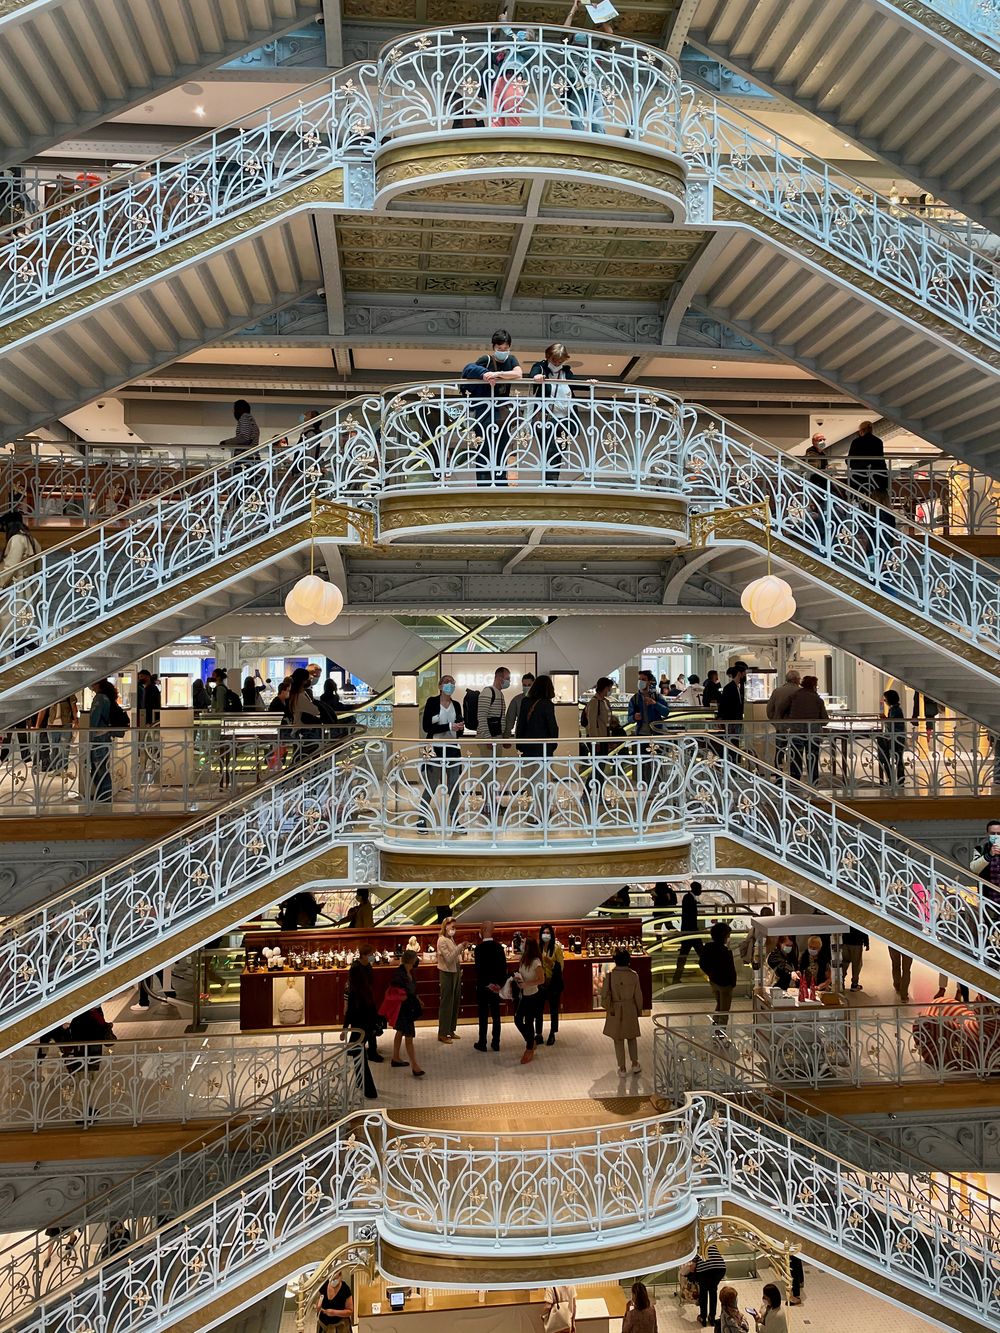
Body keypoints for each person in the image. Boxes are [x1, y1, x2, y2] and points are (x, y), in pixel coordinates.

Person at [465, 330, 522, 486]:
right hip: (484, 410)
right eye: (500, 348)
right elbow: (468, 369)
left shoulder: (511, 359)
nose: (503, 352)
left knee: (502, 447)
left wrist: (497, 374)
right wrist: (485, 374)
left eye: (505, 348)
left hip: (502, 413)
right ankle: (484, 483)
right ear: (494, 347)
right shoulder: (486, 359)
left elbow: (518, 374)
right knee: (483, 447)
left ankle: (500, 482)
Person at [528, 342, 587, 482]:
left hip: (565, 417)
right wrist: (537, 377)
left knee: (559, 449)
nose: (557, 362)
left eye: (560, 360)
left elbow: (575, 384)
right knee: (549, 449)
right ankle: (548, 481)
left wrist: (589, 383)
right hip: (546, 417)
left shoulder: (566, 372)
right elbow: (533, 375)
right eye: (555, 359)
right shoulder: (540, 367)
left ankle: (552, 481)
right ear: (548, 357)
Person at [419, 674, 465, 828]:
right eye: (446, 682)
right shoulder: (432, 702)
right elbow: (427, 727)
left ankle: (455, 818)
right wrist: (449, 726)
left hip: (452, 749)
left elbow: (459, 730)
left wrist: (459, 728)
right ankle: (422, 817)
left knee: (454, 785)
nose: (450, 685)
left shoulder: (456, 704)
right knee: (431, 784)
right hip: (435, 749)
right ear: (440, 686)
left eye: (452, 682)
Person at [343, 944, 381, 1098]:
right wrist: (345, 1025)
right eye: (371, 954)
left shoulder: (365, 970)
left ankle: (366, 1086)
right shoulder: (358, 971)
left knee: (356, 1050)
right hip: (363, 1015)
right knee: (356, 1050)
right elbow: (352, 999)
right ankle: (364, 1085)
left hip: (363, 1016)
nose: (373, 957)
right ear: (364, 955)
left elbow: (354, 1001)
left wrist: (345, 1025)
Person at [0, 510, 39, 649]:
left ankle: (30, 652)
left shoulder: (16, 539)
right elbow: (38, 565)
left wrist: (1, 583)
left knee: (13, 624)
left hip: (16, 587)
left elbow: (11, 565)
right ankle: (24, 653)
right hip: (28, 585)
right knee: (20, 625)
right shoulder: (32, 539)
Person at [601, 946, 643, 1075]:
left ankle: (622, 1068)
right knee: (631, 1037)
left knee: (618, 1039)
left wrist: (608, 1007)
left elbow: (604, 994)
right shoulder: (634, 976)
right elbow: (638, 995)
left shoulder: (610, 976)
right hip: (630, 1007)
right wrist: (639, 1010)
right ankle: (635, 1063)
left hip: (615, 1008)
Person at [786, 675, 828, 785]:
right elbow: (824, 720)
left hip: (796, 731)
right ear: (814, 686)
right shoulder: (817, 700)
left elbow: (785, 711)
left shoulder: (794, 696)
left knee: (796, 757)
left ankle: (794, 781)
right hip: (813, 733)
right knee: (812, 757)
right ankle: (813, 781)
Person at [389, 949, 425, 1077]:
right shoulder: (399, 974)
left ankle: (395, 1057)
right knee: (409, 1036)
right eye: (416, 958)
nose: (417, 961)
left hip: (407, 1007)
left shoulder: (408, 972)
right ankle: (415, 1066)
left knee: (400, 1031)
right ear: (411, 960)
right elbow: (396, 990)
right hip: (404, 1009)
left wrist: (418, 1000)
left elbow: (413, 990)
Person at [88, 678, 123, 804]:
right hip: (105, 735)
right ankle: (103, 795)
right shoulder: (107, 698)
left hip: (99, 737)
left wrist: (89, 734)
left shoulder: (100, 698)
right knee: (101, 767)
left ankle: (104, 796)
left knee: (99, 768)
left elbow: (94, 719)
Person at [474, 920, 508, 1052]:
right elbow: (503, 968)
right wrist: (499, 985)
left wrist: (486, 984)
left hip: (483, 987)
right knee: (496, 1014)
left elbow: (479, 970)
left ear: (482, 930)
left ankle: (482, 1042)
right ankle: (496, 1042)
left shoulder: (479, 949)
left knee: (483, 1015)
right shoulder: (499, 948)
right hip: (496, 988)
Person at [700, 920, 737, 1028]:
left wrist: (710, 973)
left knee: (719, 1005)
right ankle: (720, 1032)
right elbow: (730, 969)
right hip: (725, 984)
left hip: (714, 981)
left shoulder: (708, 947)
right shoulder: (725, 952)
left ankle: (715, 1027)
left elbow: (702, 963)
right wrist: (733, 983)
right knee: (724, 1010)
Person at [512, 937, 544, 1063]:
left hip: (533, 995)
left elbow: (541, 980)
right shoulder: (523, 959)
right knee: (518, 1019)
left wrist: (527, 984)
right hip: (523, 995)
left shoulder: (536, 962)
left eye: (524, 943)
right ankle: (530, 1040)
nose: (521, 944)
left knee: (529, 1021)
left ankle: (529, 1048)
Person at [514, 674, 558, 757]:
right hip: (543, 746)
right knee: (542, 769)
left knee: (528, 769)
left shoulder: (525, 701)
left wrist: (519, 744)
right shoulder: (547, 704)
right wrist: (553, 744)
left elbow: (520, 724)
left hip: (527, 745)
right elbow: (552, 726)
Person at [765, 669, 801, 769]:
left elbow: (769, 709)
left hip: (781, 727)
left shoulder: (777, 691)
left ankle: (778, 776)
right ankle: (795, 776)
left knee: (779, 751)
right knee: (796, 752)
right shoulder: (800, 692)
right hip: (797, 727)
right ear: (796, 680)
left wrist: (775, 722)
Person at [536, 923, 564, 1045]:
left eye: (548, 933)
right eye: (544, 933)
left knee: (553, 1009)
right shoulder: (538, 947)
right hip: (540, 983)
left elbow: (561, 967)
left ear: (551, 934)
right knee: (538, 1010)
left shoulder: (556, 948)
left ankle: (552, 1033)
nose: (545, 935)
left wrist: (550, 963)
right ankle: (539, 1034)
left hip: (553, 984)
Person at [436, 915, 463, 1044]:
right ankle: (442, 1033)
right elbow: (449, 958)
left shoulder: (450, 938)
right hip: (447, 973)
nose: (454, 929)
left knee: (455, 1001)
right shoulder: (441, 940)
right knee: (446, 1003)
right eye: (452, 927)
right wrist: (460, 947)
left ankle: (451, 1029)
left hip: (455, 971)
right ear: (446, 926)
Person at [847, 419, 888, 502]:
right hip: (877, 477)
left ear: (861, 430)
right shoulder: (878, 441)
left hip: (859, 476)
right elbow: (880, 458)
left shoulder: (856, 442)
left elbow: (850, 459)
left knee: (855, 496)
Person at [289, 666, 322, 762]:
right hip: (305, 733)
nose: (310, 680)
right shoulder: (300, 697)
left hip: (299, 732)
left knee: (299, 759)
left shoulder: (295, 695)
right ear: (303, 681)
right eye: (309, 679)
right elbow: (315, 711)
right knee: (305, 760)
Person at [672, 880, 703, 982]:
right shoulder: (689, 899)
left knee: (684, 955)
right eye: (700, 889)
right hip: (691, 932)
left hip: (688, 931)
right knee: (700, 954)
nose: (701, 891)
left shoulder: (688, 898)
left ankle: (676, 977)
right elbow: (690, 916)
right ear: (696, 889)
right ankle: (711, 973)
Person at [877, 688, 906, 789]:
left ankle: (898, 780)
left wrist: (885, 719)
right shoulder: (894, 709)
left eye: (885, 700)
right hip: (896, 737)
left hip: (897, 738)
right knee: (896, 759)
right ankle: (897, 780)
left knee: (897, 759)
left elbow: (893, 723)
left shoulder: (896, 710)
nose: (885, 702)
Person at [694, 1242, 727, 1328]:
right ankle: (712, 1317)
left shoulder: (697, 1245)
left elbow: (694, 1262)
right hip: (719, 1268)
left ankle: (703, 1317)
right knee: (713, 1291)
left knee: (703, 1293)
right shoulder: (711, 1243)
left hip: (704, 1270)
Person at [628, 669, 670, 734]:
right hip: (642, 734)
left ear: (649, 682)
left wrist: (655, 703)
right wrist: (634, 717)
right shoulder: (634, 699)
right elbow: (629, 719)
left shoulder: (657, 696)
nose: (640, 681)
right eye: (639, 679)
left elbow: (666, 712)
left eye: (643, 679)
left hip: (657, 733)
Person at [717, 662, 748, 744]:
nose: (745, 676)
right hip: (731, 720)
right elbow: (723, 704)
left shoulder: (738, 687)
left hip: (736, 720)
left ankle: (734, 756)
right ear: (739, 674)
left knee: (736, 740)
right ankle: (732, 756)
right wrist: (720, 718)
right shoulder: (729, 688)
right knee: (732, 741)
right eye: (744, 674)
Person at [476, 665, 510, 740]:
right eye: (507, 678)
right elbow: (481, 716)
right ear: (499, 677)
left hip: (497, 735)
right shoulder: (488, 692)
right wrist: (487, 737)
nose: (509, 681)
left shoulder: (500, 694)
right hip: (488, 737)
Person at [842, 924, 869, 991]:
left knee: (844, 963)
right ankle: (854, 984)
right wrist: (866, 942)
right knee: (856, 964)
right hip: (857, 942)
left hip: (845, 941)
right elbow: (864, 928)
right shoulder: (861, 916)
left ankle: (841, 982)